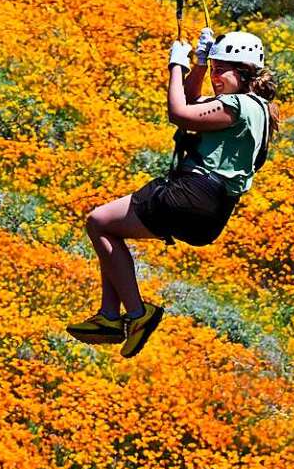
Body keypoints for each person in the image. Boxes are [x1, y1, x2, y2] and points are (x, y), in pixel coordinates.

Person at [67, 28, 280, 358]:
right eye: (213, 69)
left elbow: (179, 113)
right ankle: (109, 317)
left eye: (221, 69)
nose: (215, 76)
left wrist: (176, 66)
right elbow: (194, 103)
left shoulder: (237, 106)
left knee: (98, 222)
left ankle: (137, 315)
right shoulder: (256, 110)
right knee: (107, 227)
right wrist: (198, 64)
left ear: (243, 72)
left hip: (191, 194)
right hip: (212, 214)